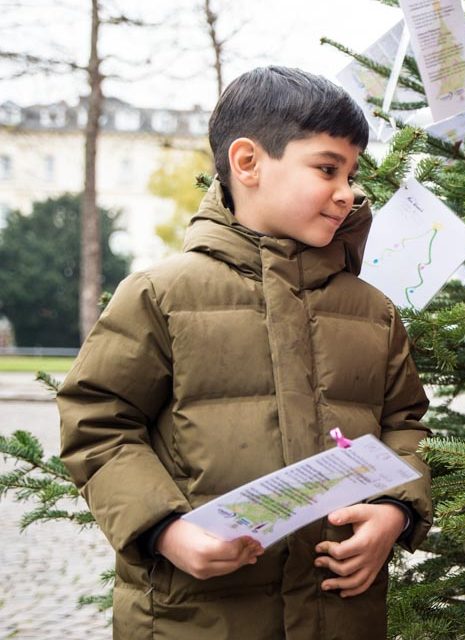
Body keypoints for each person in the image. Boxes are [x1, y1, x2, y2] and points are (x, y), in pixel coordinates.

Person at [57, 66, 432, 639]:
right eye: (328, 168)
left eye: (352, 174)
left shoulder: (371, 312)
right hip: (196, 618)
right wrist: (165, 530)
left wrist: (394, 511)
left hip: (339, 617)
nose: (348, 192)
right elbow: (98, 425)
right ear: (248, 162)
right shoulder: (161, 296)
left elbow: (404, 424)